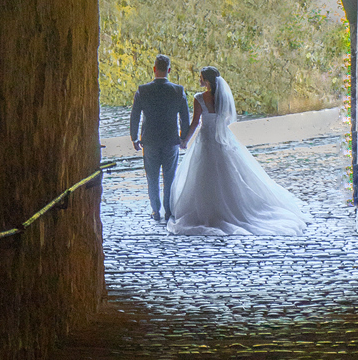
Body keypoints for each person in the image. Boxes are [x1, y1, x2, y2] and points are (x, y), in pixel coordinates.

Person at [167, 65, 309, 236]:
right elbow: (227, 119)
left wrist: (185, 140)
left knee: (204, 175)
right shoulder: (222, 97)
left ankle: (209, 210)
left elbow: (196, 123)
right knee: (229, 174)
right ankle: (232, 207)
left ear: (206, 80)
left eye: (201, 77)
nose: (199, 79)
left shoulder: (199, 98)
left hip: (205, 139)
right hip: (222, 138)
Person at [129, 54, 190, 223]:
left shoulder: (142, 90)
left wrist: (134, 137)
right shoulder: (178, 91)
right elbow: (185, 117)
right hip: (171, 139)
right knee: (170, 177)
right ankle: (169, 210)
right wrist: (183, 137)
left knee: (152, 177)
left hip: (149, 140)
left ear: (154, 69)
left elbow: (135, 116)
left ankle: (156, 211)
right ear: (169, 70)